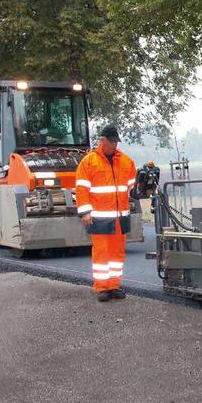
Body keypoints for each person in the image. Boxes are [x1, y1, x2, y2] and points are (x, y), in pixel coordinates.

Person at [75, 124, 137, 302]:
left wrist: (143, 190)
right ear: (102, 141)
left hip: (120, 217)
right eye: (111, 142)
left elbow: (132, 188)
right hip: (99, 217)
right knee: (102, 253)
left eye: (116, 142)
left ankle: (114, 286)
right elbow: (81, 189)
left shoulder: (126, 161)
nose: (114, 145)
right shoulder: (89, 162)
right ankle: (102, 288)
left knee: (117, 254)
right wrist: (85, 213)